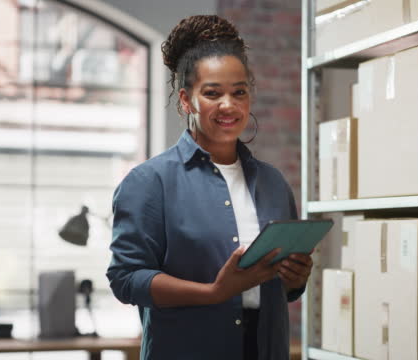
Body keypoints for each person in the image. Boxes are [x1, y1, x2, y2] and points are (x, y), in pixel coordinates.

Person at [106, 15, 313, 360]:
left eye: (239, 92)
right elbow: (126, 279)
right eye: (212, 93)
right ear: (187, 101)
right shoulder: (149, 183)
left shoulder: (274, 183)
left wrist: (295, 277)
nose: (228, 105)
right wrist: (214, 292)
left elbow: (285, 290)